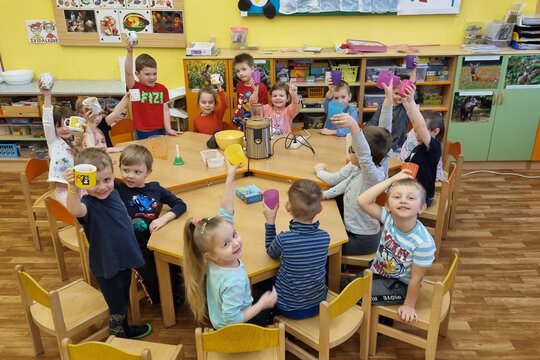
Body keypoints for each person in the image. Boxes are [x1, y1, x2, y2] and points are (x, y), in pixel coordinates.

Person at [63, 148, 152, 339]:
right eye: (94, 182)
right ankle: (119, 335)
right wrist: (72, 187)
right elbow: (75, 209)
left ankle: (123, 327)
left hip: (123, 258)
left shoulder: (114, 193)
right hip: (107, 263)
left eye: (107, 180)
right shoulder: (88, 204)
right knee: (117, 304)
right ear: (83, 182)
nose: (102, 187)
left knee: (123, 297)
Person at [183, 160, 277, 329]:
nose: (235, 243)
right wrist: (261, 305)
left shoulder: (212, 256)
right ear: (210, 254)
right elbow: (232, 320)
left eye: (234, 235)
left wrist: (230, 176)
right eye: (226, 244)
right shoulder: (234, 281)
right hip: (232, 329)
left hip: (218, 317)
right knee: (272, 305)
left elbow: (226, 210)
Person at [315, 80, 394, 255]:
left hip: (363, 239)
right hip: (352, 228)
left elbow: (364, 155)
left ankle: (339, 274)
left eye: (352, 149)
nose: (349, 153)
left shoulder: (372, 174)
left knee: (323, 249)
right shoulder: (362, 168)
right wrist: (388, 99)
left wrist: (353, 127)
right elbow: (384, 130)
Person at [357, 170, 435, 323]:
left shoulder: (423, 243)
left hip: (401, 286)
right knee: (345, 287)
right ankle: (378, 318)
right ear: (387, 205)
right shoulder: (389, 218)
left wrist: (409, 305)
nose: (403, 201)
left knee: (358, 296)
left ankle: (378, 326)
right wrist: (392, 179)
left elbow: (416, 280)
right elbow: (362, 200)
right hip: (379, 272)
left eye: (411, 198)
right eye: (397, 197)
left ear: (422, 208)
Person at [116, 144, 187, 304]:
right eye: (125, 170)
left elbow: (180, 204)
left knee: (173, 264)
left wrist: (163, 218)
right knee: (152, 276)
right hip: (132, 248)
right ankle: (162, 300)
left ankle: (171, 288)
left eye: (137, 172)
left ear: (148, 172)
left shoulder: (155, 189)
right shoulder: (117, 190)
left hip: (154, 243)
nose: (130, 176)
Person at [263, 179, 329, 319]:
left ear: (288, 207)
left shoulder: (284, 240)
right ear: (320, 208)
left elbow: (270, 252)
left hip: (289, 307)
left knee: (262, 286)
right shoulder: (325, 237)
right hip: (319, 303)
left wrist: (270, 221)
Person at [125, 41, 181, 139]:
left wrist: (168, 129)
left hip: (160, 129)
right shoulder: (135, 87)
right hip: (142, 131)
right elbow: (128, 72)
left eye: (154, 73)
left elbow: (166, 110)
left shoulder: (162, 89)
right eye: (147, 74)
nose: (152, 77)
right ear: (137, 74)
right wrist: (130, 52)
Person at [400, 83, 444, 206]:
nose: (416, 133)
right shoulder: (418, 147)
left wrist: (411, 100)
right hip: (413, 190)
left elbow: (420, 126)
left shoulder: (434, 147)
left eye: (419, 131)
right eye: (414, 130)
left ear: (435, 132)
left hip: (423, 197)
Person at [366, 56, 419, 152]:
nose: (400, 96)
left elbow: (411, 86)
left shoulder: (404, 108)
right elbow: (373, 122)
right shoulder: (384, 107)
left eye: (402, 93)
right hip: (381, 146)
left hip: (398, 148)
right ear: (389, 91)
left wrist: (413, 70)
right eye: (396, 93)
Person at [38, 79, 75, 205]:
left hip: (79, 187)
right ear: (53, 129)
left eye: (67, 124)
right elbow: (47, 121)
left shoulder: (76, 140)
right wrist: (47, 96)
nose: (64, 129)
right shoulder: (53, 140)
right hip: (63, 190)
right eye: (59, 126)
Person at [232, 53, 268, 127]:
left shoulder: (261, 87)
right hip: (239, 120)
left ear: (252, 69)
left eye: (244, 69)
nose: (240, 73)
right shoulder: (239, 85)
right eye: (238, 71)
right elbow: (239, 102)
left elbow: (264, 108)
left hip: (254, 123)